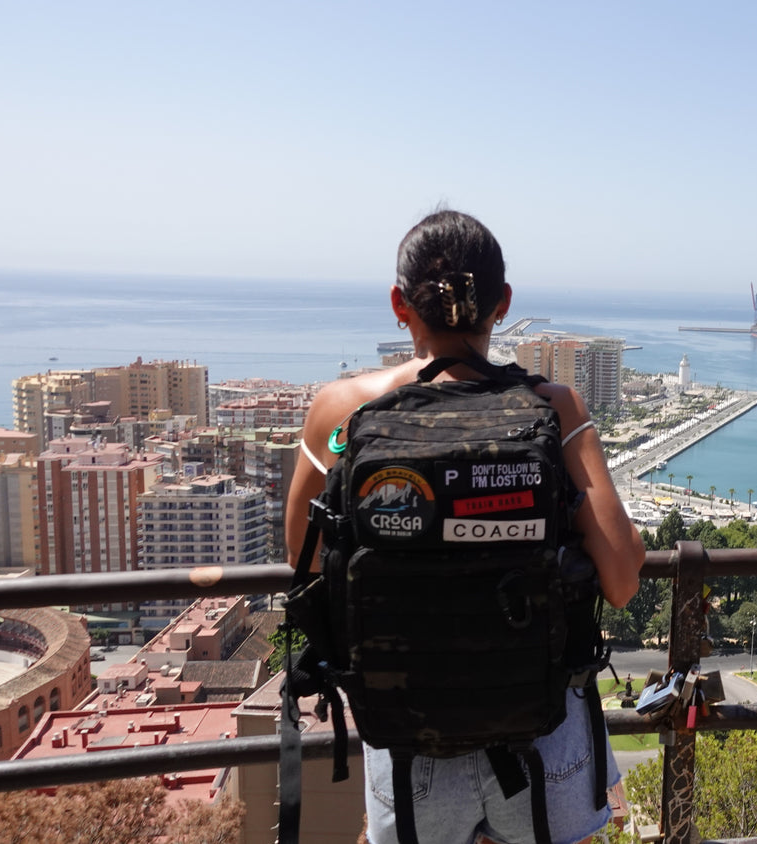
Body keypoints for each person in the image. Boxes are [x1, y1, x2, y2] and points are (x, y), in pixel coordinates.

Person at [285, 209, 646, 844]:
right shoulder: (553, 408)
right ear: (503, 303)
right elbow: (621, 579)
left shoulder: (341, 411)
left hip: (406, 738)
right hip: (541, 736)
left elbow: (306, 564)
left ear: (399, 304)